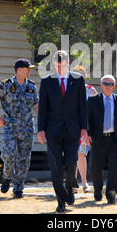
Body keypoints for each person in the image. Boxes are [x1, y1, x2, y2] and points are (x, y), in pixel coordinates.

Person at [37, 51, 88, 213]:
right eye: (57, 66)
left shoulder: (77, 80)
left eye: (63, 66)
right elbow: (43, 108)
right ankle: (61, 201)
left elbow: (83, 106)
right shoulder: (46, 81)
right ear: (53, 64)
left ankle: (71, 186)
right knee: (56, 166)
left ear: (68, 64)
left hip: (73, 129)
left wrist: (84, 128)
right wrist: (41, 130)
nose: (60, 69)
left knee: (72, 162)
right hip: (53, 130)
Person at [0, 59, 39, 198]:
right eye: (27, 68)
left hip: (27, 128)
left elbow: (36, 104)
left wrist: (41, 123)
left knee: (24, 159)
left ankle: (18, 188)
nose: (29, 71)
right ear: (19, 70)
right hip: (11, 126)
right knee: (8, 155)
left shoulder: (31, 86)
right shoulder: (7, 85)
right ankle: (7, 177)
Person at [88, 75, 117, 204]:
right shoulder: (92, 101)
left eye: (111, 84)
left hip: (114, 139)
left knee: (114, 168)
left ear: (114, 86)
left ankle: (111, 194)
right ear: (101, 85)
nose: (108, 86)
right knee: (96, 167)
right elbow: (87, 119)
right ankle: (97, 191)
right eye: (105, 83)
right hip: (98, 138)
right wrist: (87, 134)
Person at [72, 64, 98, 194]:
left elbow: (97, 111)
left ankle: (84, 182)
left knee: (81, 154)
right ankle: (73, 182)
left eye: (81, 76)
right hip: (71, 127)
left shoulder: (91, 90)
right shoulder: (68, 90)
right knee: (73, 155)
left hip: (85, 129)